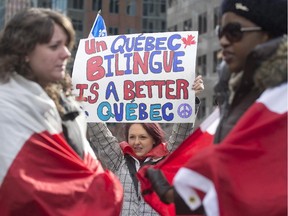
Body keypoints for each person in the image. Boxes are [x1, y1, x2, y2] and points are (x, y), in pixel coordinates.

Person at [145, 0, 287, 215]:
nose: (223, 41)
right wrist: (180, 196)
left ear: (267, 33)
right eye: (221, 31)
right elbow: (232, 178)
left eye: (234, 32)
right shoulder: (236, 92)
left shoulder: (279, 99)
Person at [0, 8, 123, 215]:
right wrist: (103, 193)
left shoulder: (66, 105)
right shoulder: (6, 107)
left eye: (66, 45)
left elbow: (81, 165)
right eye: (54, 46)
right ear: (25, 52)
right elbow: (26, 190)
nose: (66, 53)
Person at [87, 75, 204, 216]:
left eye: (142, 137)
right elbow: (99, 134)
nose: (136, 142)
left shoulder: (166, 158)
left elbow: (181, 134)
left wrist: (190, 99)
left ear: (153, 139)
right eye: (132, 137)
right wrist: (86, 101)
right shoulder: (119, 159)